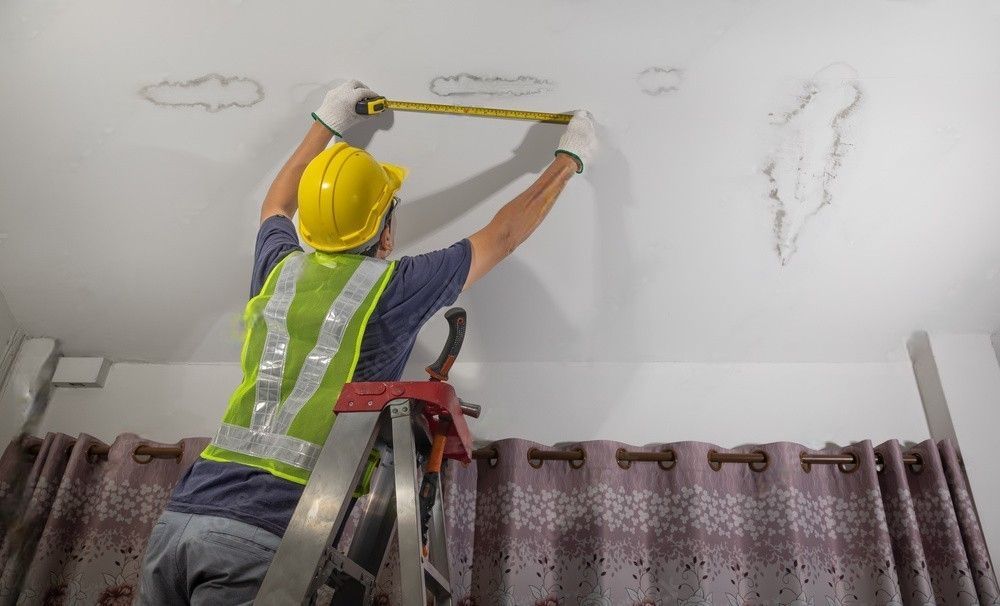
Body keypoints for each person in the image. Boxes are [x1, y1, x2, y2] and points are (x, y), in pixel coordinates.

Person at [138, 79, 596, 605]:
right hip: (260, 535)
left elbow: (275, 203)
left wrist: (327, 123)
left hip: (179, 524)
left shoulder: (277, 267)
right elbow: (501, 237)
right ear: (385, 233)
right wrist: (569, 160)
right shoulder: (392, 287)